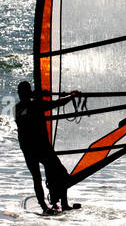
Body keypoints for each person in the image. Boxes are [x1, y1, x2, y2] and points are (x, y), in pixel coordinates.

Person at [14, 81, 78, 214]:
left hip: (28, 148)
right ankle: (61, 204)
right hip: (40, 147)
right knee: (60, 173)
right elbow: (58, 103)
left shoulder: (17, 108)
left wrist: (38, 95)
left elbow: (32, 108)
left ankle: (47, 207)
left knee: (38, 177)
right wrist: (71, 96)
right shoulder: (36, 104)